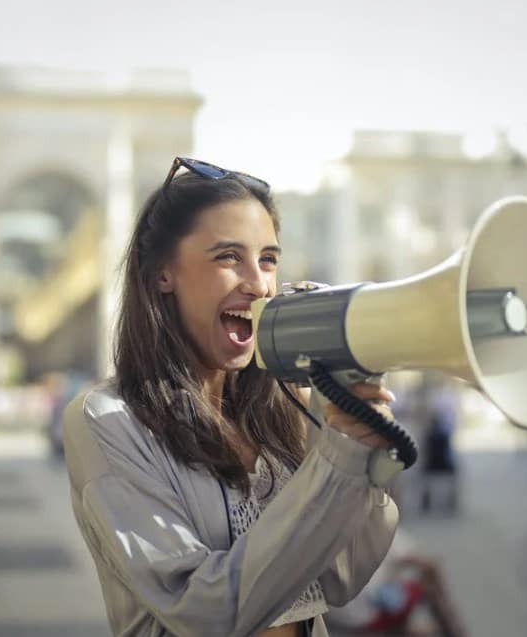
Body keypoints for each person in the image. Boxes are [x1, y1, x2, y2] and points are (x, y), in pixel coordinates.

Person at [62, 157, 400, 637]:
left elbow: (340, 576)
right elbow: (204, 612)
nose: (259, 283)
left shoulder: (286, 405)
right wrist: (335, 462)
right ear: (163, 274)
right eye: (227, 257)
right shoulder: (107, 420)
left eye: (267, 259)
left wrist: (363, 457)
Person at [326, 529, 468, 636]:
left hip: (336, 617)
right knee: (427, 585)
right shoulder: (385, 527)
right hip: (365, 615)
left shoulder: (335, 528)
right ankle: (454, 630)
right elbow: (428, 565)